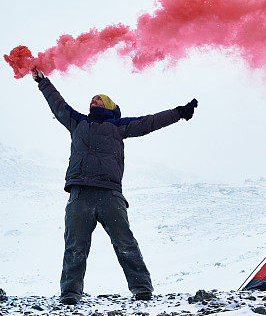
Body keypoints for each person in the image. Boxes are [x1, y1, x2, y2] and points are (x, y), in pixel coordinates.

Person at [30, 67, 198, 305]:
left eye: (99, 98)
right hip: (80, 194)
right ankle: (70, 294)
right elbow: (57, 103)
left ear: (109, 106)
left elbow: (150, 122)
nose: (93, 99)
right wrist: (42, 81)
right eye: (92, 98)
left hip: (110, 196)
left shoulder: (119, 126)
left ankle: (142, 290)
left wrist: (179, 112)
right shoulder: (77, 122)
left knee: (125, 243)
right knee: (75, 246)